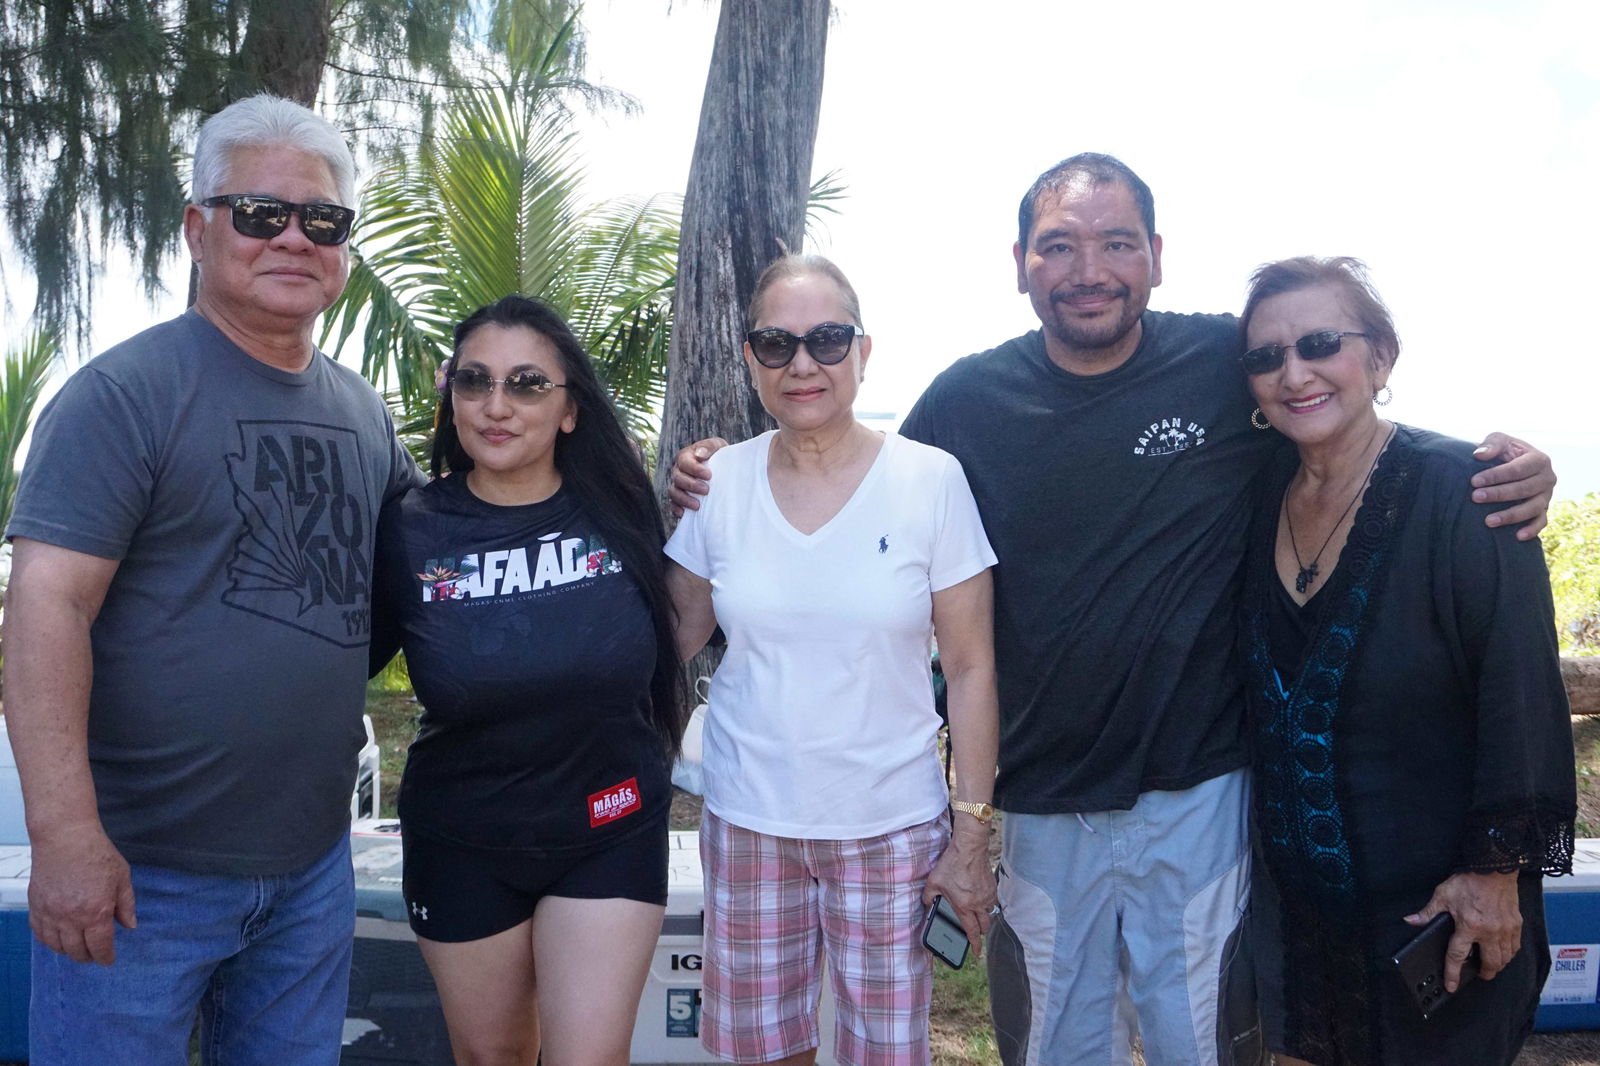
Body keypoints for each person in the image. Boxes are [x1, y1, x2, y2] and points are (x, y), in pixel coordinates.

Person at [668, 156, 1557, 1066]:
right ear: (1020, 263)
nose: (1088, 269)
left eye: (1116, 243)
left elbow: (1338, 403)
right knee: (1056, 1046)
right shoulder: (967, 401)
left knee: (1199, 1046)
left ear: (1157, 257)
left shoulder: (1230, 360)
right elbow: (851, 481)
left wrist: (1503, 467)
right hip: (1044, 802)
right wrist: (716, 475)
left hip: (1201, 795)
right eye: (1058, 246)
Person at [2, 94, 421, 1064]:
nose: (293, 239)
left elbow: (438, 554)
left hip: (314, 864)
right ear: (198, 227)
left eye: (321, 220)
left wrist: (687, 486)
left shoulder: (361, 412)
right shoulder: (122, 396)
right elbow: (46, 605)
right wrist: (64, 836)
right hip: (139, 872)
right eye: (259, 213)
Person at [1234, 256, 1575, 1066]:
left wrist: (1494, 876)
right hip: (1298, 930)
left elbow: (1520, 692)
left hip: (1440, 920)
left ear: (1380, 358)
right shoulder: (1251, 498)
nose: (1295, 371)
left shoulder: (1470, 494)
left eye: (1321, 342)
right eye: (1266, 356)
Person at [665, 254, 1000, 1066]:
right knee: (762, 1052)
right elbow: (664, 637)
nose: (803, 364)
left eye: (827, 339)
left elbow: (971, 669)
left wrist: (971, 837)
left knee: (885, 1052)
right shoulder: (718, 484)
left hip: (889, 828)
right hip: (748, 819)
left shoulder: (931, 480)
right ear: (750, 359)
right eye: (776, 344)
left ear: (863, 350)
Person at [368, 295, 683, 1066]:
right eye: (475, 382)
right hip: (463, 839)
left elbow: (699, 612)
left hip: (609, 826)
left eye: (527, 384)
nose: (496, 405)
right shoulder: (409, 527)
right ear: (452, 397)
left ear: (570, 408)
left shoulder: (625, 509)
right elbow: (335, 662)